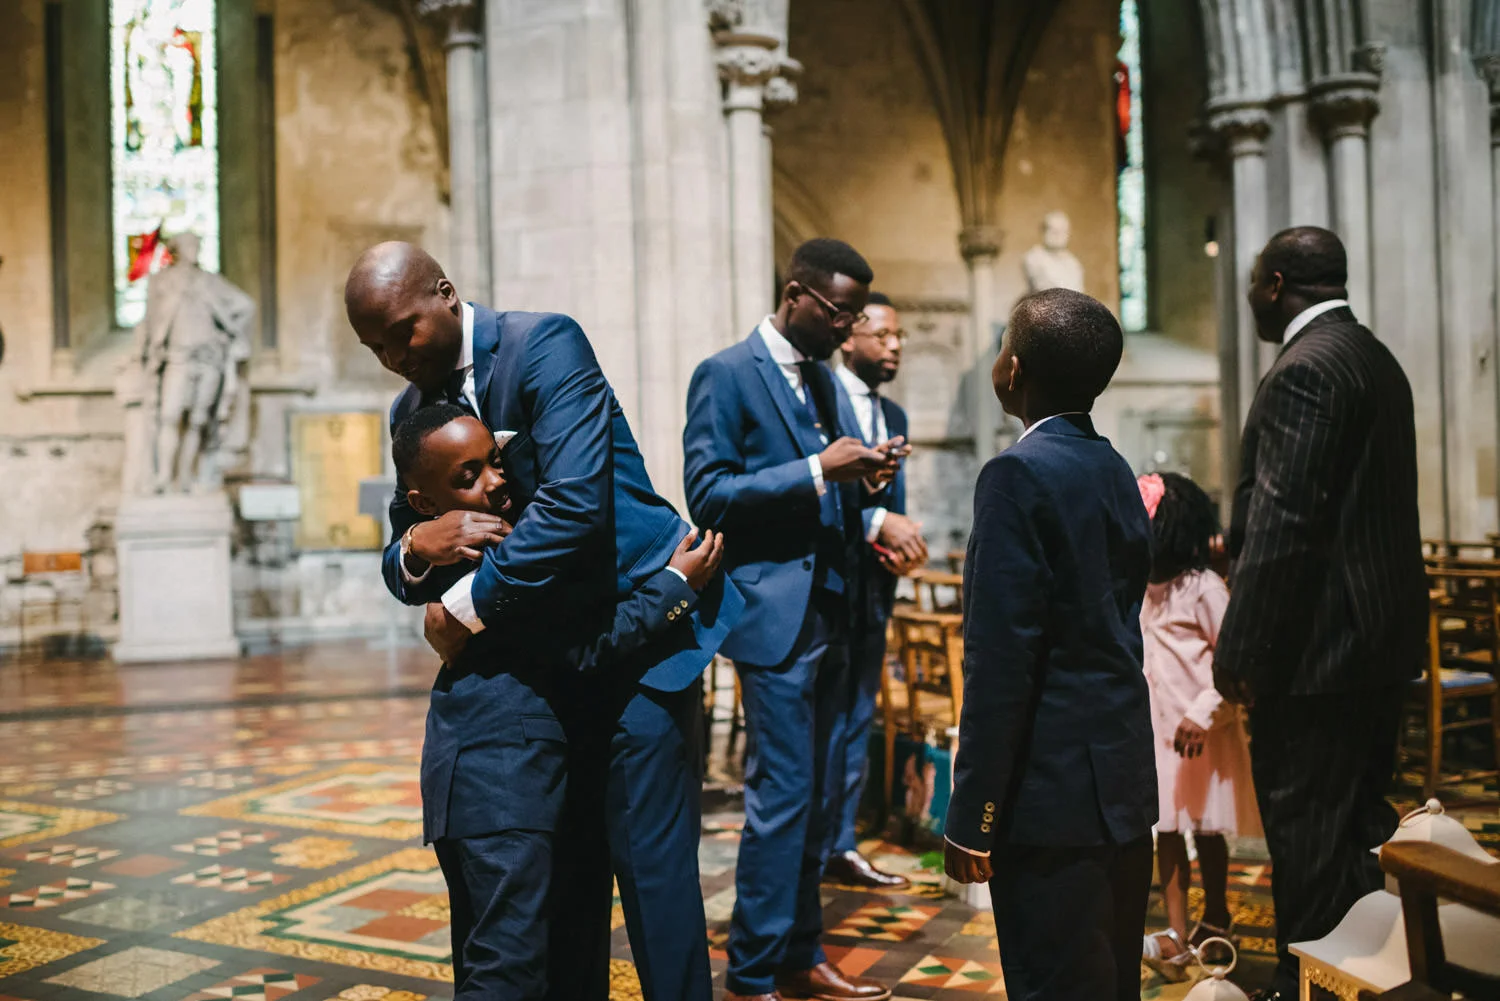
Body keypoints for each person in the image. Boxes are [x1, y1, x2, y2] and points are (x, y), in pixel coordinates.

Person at [346, 242, 743, 1001]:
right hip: (551, 666)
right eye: (375, 347)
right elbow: (411, 543)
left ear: (444, 293)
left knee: (653, 882)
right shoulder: (409, 410)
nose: (394, 357)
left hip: (641, 635)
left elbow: (572, 510)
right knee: (569, 883)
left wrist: (461, 608)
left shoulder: (542, 346)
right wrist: (412, 555)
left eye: (403, 333)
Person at [388, 402, 726, 997]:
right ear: (423, 506)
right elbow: (582, 650)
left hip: (524, 769)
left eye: (495, 462)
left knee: (544, 960)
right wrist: (674, 586)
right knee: (506, 971)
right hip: (496, 775)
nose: (495, 483)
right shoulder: (487, 562)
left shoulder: (492, 536)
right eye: (467, 477)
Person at [684, 238, 903, 1001]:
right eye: (840, 313)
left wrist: (869, 482)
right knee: (781, 797)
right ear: (796, 294)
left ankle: (800, 954)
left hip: (837, 610)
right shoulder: (726, 374)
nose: (848, 329)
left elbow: (836, 487)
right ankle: (750, 974)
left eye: (854, 316)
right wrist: (818, 469)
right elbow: (708, 494)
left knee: (816, 799)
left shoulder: (827, 382)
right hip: (776, 617)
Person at [1214, 227, 1426, 1001]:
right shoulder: (1375, 358)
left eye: (1251, 285)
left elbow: (1287, 522)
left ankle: (1302, 984)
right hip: (1378, 644)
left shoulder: (1304, 368)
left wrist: (1239, 652)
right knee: (1360, 831)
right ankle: (1361, 976)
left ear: (1274, 284)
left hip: (1315, 656)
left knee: (1306, 841)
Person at [944, 288, 1156, 1001]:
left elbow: (1001, 659)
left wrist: (973, 813)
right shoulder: (1113, 467)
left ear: (1014, 370)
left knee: (1054, 983)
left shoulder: (1016, 475)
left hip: (1051, 795)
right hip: (1120, 782)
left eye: (1005, 342)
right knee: (1111, 981)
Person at [1135, 472, 1260, 984]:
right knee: (1166, 830)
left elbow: (1234, 661)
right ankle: (1178, 934)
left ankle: (1217, 917)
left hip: (1201, 732)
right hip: (1157, 732)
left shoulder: (1204, 587)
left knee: (1206, 828)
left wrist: (1206, 710)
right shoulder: (1143, 588)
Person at [824, 292, 927, 890]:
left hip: (872, 589)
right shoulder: (821, 400)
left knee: (858, 716)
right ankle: (813, 845)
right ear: (849, 337)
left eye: (900, 338)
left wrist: (901, 546)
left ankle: (841, 843)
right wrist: (871, 525)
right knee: (822, 723)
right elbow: (830, 491)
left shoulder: (895, 416)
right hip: (825, 585)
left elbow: (892, 504)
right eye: (883, 335)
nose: (894, 347)